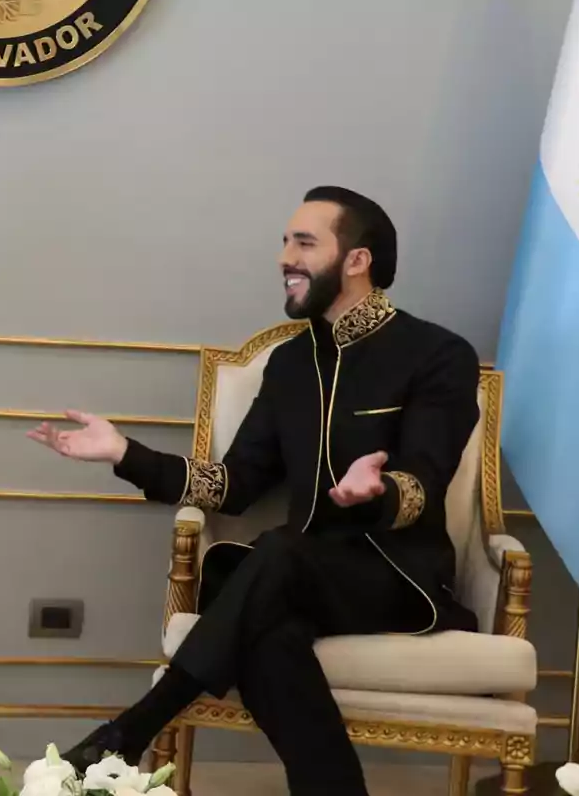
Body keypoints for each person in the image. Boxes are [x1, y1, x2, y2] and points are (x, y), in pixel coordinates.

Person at [28, 187, 481, 796]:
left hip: (397, 576)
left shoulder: (438, 354)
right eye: (284, 242)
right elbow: (235, 485)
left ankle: (128, 731)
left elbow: (425, 481)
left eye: (304, 242)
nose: (284, 257)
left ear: (357, 260)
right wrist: (125, 454)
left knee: (275, 556)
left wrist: (372, 494)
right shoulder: (290, 363)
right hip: (296, 573)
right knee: (270, 624)